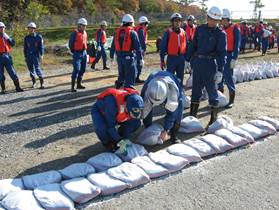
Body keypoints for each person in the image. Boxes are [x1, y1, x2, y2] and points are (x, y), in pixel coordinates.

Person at [187, 6, 226, 127]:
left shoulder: (221, 34)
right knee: (195, 91)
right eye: (211, 19)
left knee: (212, 92)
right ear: (207, 17)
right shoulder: (199, 29)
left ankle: (213, 120)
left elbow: (221, 54)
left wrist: (220, 70)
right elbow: (193, 45)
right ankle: (192, 118)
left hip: (210, 65)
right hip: (198, 63)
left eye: (216, 20)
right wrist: (187, 60)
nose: (213, 22)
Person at [141, 71, 184, 144]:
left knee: (178, 110)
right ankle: (149, 129)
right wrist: (150, 130)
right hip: (153, 77)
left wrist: (166, 130)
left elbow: (172, 114)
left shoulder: (172, 92)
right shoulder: (147, 90)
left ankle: (173, 135)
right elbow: (145, 110)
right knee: (145, 107)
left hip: (171, 80)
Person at [110, 14, 143, 89]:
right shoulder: (132, 33)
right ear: (131, 23)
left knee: (121, 73)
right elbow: (138, 47)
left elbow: (113, 45)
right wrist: (140, 58)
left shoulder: (117, 32)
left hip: (119, 57)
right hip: (128, 57)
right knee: (131, 73)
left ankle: (119, 85)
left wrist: (111, 56)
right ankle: (128, 89)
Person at [218, 9, 240, 109]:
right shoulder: (221, 29)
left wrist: (234, 58)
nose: (223, 21)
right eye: (222, 19)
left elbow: (237, 44)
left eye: (224, 19)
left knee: (228, 76)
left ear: (229, 19)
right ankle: (220, 97)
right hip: (221, 55)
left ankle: (231, 100)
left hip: (230, 55)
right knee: (219, 76)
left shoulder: (235, 28)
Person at [160, 13, 188, 86]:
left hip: (181, 58)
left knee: (180, 78)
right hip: (171, 59)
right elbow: (162, 47)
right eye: (175, 21)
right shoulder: (168, 33)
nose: (177, 22)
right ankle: (169, 94)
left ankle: (180, 94)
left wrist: (188, 60)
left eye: (179, 21)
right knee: (169, 78)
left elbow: (187, 46)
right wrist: (162, 60)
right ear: (172, 22)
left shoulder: (184, 32)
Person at [0, 22, 24, 94]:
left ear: (4, 28)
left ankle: (18, 87)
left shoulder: (6, 36)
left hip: (7, 56)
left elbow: (13, 44)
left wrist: (9, 38)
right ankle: (3, 89)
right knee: (0, 74)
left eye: (3, 27)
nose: (2, 29)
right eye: (0, 27)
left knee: (12, 72)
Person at [68, 18, 88, 92]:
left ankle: (79, 84)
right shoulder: (74, 33)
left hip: (84, 53)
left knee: (83, 69)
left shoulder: (85, 33)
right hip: (77, 53)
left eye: (85, 26)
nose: (84, 27)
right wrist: (74, 51)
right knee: (77, 69)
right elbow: (70, 44)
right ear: (79, 25)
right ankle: (72, 86)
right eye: (83, 25)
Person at [24, 22, 45, 89]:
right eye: (29, 28)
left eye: (32, 28)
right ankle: (34, 83)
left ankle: (42, 84)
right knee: (31, 70)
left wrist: (41, 54)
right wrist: (25, 56)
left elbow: (41, 47)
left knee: (37, 69)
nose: (30, 29)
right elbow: (25, 48)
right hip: (28, 56)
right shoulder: (26, 38)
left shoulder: (39, 37)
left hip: (36, 56)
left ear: (34, 29)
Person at [134, 16, 150, 83]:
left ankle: (134, 77)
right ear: (143, 23)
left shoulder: (136, 29)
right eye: (146, 24)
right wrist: (144, 49)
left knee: (135, 64)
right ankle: (136, 78)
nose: (147, 25)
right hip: (139, 50)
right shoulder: (140, 30)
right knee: (139, 64)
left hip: (134, 49)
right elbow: (142, 41)